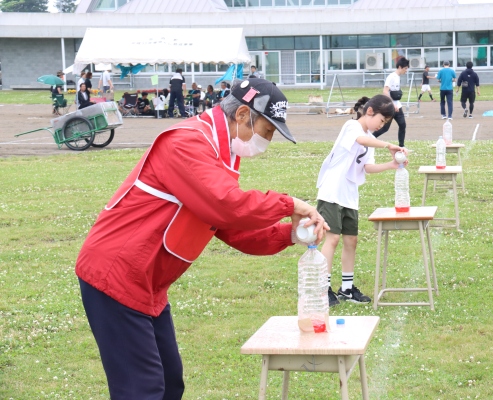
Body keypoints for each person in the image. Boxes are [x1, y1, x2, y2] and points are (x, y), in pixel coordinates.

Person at [75, 78, 328, 399]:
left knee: (169, 384)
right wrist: (289, 204)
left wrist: (291, 234)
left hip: (148, 283)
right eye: (266, 131)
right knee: (142, 389)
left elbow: (231, 227)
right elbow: (226, 205)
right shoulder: (187, 143)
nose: (266, 140)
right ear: (241, 116)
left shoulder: (221, 153)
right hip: (116, 276)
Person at [316, 95, 406, 306]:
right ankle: (323, 288)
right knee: (332, 239)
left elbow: (366, 168)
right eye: (382, 121)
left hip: (349, 194)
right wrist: (389, 145)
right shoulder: (352, 126)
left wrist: (391, 165)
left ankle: (346, 289)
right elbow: (360, 140)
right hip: (331, 191)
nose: (381, 126)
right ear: (370, 112)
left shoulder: (370, 138)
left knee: (351, 241)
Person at [372, 57, 409, 147]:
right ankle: (370, 139)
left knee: (402, 125)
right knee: (385, 128)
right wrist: (392, 104)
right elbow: (385, 91)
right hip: (390, 107)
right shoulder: (391, 76)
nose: (406, 71)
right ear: (400, 67)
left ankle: (401, 146)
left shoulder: (398, 77)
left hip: (398, 106)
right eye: (405, 68)